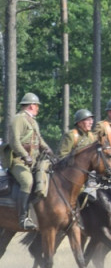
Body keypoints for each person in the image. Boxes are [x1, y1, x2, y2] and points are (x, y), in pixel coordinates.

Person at [7, 93, 53, 230]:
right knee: (27, 182)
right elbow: (14, 142)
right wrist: (25, 155)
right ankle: (23, 218)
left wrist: (49, 150)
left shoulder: (33, 121)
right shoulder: (18, 119)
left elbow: (39, 140)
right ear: (32, 105)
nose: (38, 108)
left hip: (33, 161)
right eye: (37, 105)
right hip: (18, 161)